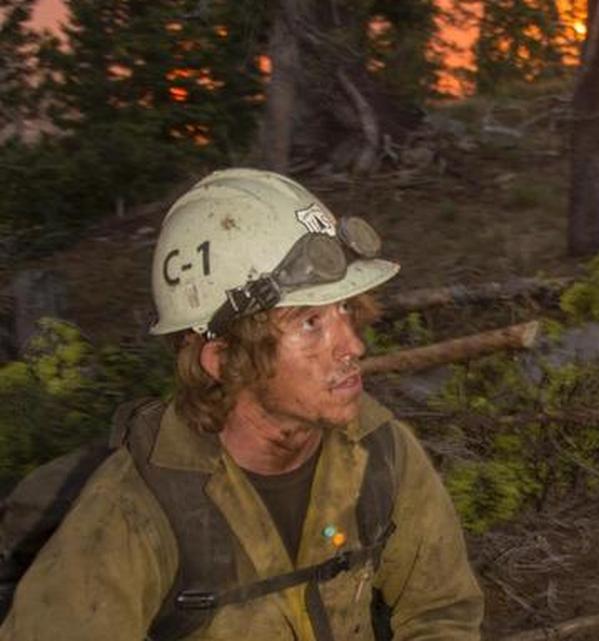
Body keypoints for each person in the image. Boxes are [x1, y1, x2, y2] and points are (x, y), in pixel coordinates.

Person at [0, 168, 484, 640]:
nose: (354, 345)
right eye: (311, 323)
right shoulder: (132, 512)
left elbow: (442, 611)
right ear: (224, 358)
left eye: (346, 311)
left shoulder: (379, 451)